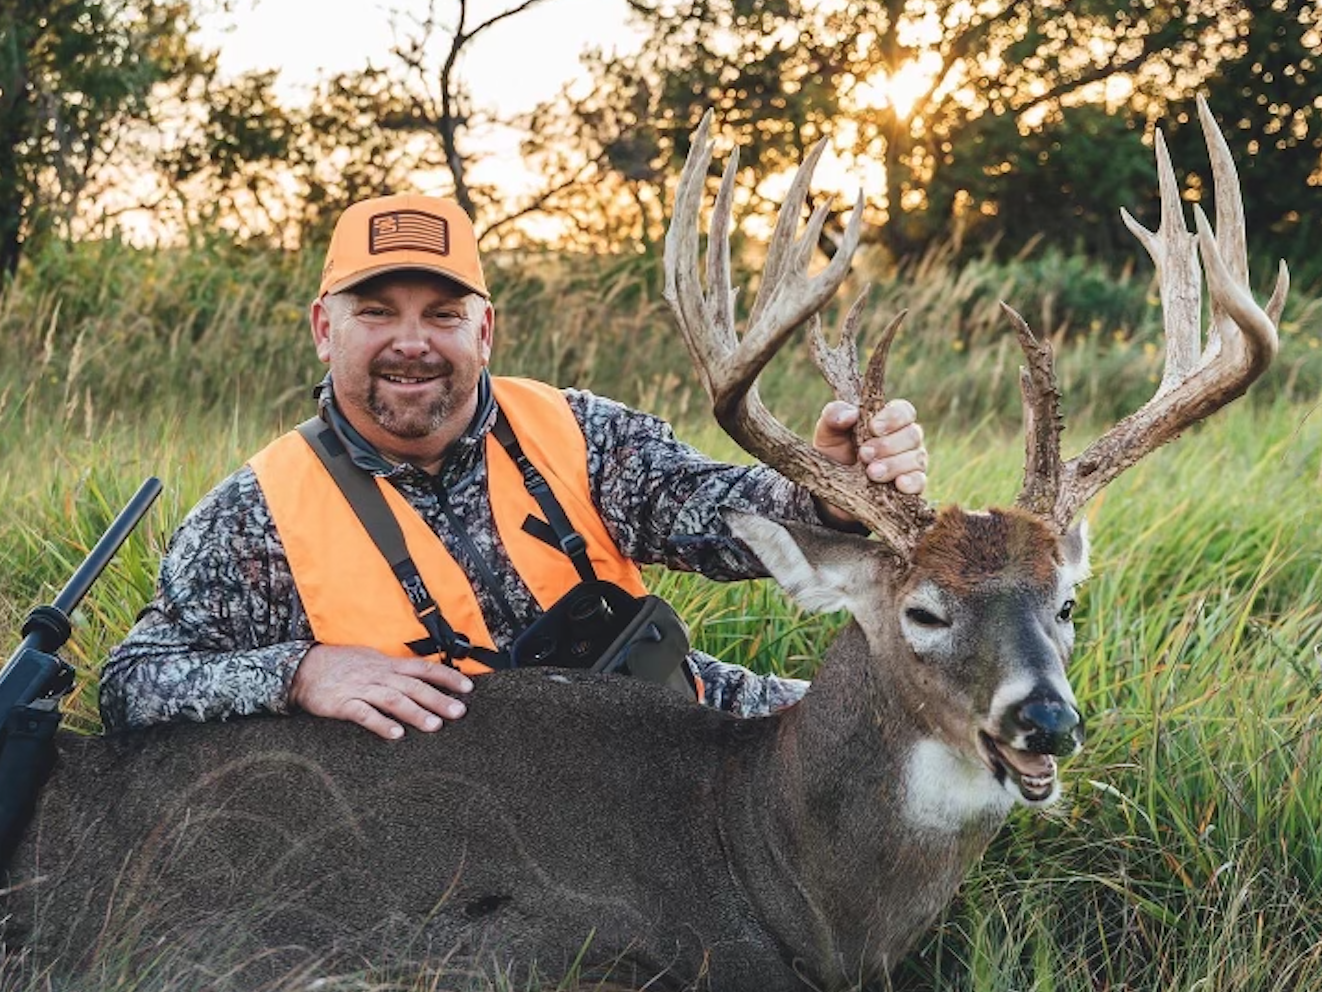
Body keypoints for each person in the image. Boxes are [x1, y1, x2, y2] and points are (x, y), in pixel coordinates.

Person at [100, 194, 928, 740]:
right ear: (325, 327)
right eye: (377, 312)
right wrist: (303, 671)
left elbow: (724, 520)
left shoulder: (575, 431)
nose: (413, 343)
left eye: (444, 314)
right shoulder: (258, 514)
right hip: (465, 812)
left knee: (891, 737)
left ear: (485, 330)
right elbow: (134, 684)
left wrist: (830, 490)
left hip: (667, 729)